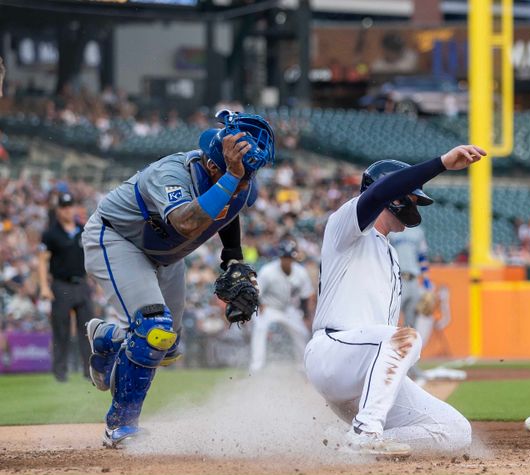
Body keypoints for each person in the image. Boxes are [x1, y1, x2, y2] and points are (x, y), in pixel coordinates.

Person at [82, 110, 274, 448]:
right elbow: (186, 223)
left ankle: (108, 339)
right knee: (153, 329)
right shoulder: (172, 173)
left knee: (167, 344)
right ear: (217, 164)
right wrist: (233, 177)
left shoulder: (238, 180)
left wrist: (233, 257)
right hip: (117, 239)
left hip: (165, 255)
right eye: (244, 171)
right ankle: (120, 425)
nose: (248, 179)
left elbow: (227, 212)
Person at [304, 145, 485, 457]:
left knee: (455, 431)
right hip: (333, 354)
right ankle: (366, 432)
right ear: (396, 196)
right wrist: (440, 163)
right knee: (403, 338)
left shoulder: (389, 252)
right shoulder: (346, 227)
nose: (416, 204)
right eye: (412, 196)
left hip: (366, 374)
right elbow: (380, 193)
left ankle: (346, 443)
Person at [389, 226, 466, 384]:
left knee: (411, 326)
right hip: (396, 279)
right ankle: (388, 366)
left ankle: (410, 367)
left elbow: (422, 257)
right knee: (389, 323)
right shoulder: (391, 228)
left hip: (413, 280)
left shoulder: (417, 231)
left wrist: (426, 279)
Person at [38, 192, 93, 382]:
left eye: (70, 206)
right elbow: (42, 261)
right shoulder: (50, 234)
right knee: (61, 330)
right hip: (61, 285)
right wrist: (44, 286)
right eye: (64, 207)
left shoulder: (83, 230)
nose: (68, 210)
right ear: (58, 210)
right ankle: (60, 372)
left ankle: (90, 370)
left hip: (82, 284)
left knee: (87, 330)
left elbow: (91, 257)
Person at [249, 240, 314, 372]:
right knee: (260, 328)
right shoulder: (268, 271)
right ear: (280, 257)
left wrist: (306, 316)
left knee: (301, 331)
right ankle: (256, 366)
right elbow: (256, 291)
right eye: (285, 257)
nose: (287, 260)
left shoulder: (300, 272)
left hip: (287, 308)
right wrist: (260, 304)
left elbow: (304, 296)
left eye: (290, 257)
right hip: (268, 307)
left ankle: (303, 365)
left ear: (294, 258)